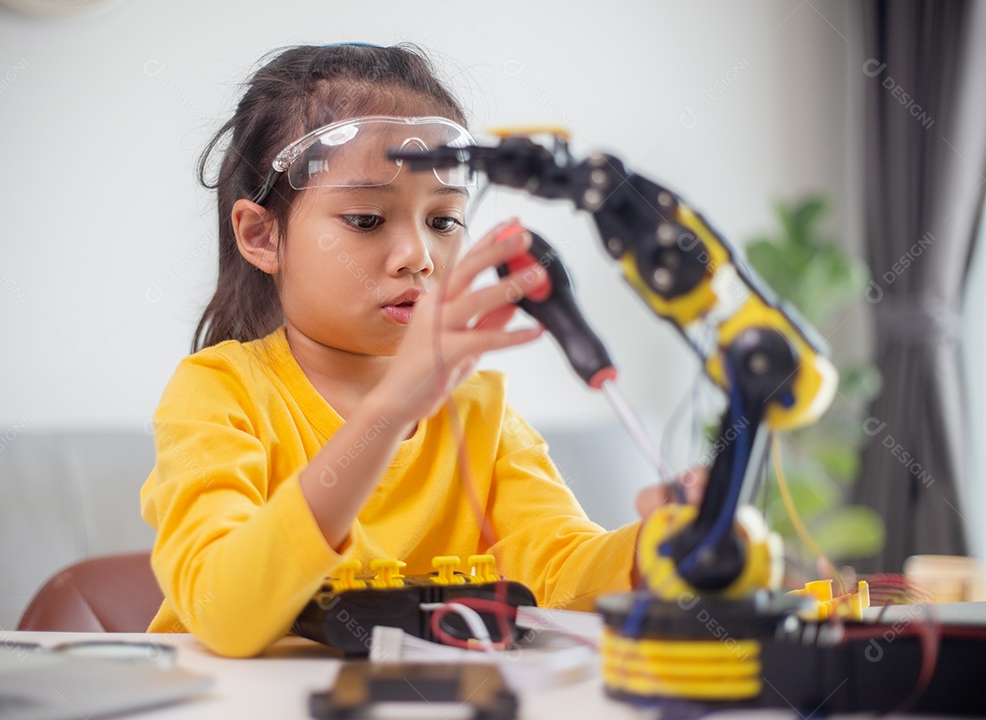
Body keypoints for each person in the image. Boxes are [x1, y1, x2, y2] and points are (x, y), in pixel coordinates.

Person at [140, 43, 702, 658]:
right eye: (365, 219)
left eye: (443, 221)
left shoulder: (481, 412)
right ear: (261, 234)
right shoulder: (219, 393)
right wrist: (388, 413)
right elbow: (226, 611)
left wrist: (661, 550)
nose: (420, 256)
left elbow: (560, 569)